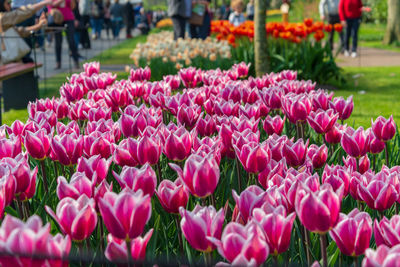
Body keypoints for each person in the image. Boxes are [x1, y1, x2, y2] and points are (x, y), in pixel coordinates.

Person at [49, 0, 80, 69]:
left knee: (71, 41)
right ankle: (58, 62)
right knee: (58, 42)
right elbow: (50, 5)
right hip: (57, 19)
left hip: (68, 18)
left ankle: (76, 61)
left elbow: (72, 7)